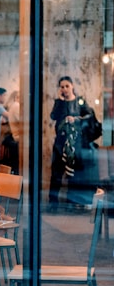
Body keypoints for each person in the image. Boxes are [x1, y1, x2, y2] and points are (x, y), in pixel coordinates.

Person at [48, 76, 98, 211]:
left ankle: (72, 203)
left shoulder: (79, 101)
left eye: (67, 86)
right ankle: (53, 204)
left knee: (74, 174)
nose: (64, 89)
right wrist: (60, 100)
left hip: (75, 143)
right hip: (60, 143)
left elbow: (90, 116)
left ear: (72, 86)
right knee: (56, 173)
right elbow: (53, 116)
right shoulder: (60, 102)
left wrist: (76, 119)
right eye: (62, 87)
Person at [1, 90, 20, 174]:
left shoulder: (13, 106)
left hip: (15, 136)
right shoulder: (16, 106)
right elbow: (24, 121)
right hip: (18, 138)